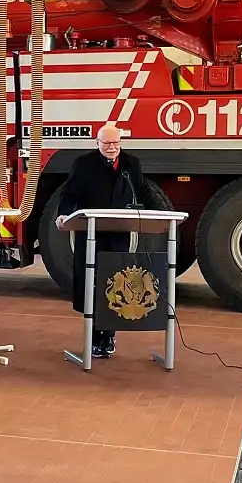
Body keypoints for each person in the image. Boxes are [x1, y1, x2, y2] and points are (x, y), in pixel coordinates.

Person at [55, 124, 164, 358]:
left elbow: (143, 191)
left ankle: (109, 337)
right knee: (93, 283)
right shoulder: (83, 163)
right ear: (98, 143)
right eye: (107, 144)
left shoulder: (131, 164)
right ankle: (95, 337)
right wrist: (63, 214)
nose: (112, 148)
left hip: (118, 233)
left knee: (117, 283)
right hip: (91, 233)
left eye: (116, 143)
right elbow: (70, 193)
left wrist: (162, 214)